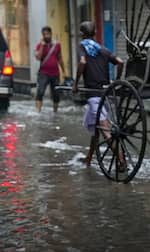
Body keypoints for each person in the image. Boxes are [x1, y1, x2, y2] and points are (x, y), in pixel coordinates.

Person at [72, 21, 124, 167]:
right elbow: (120, 62)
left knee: (104, 130)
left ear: (82, 34)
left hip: (94, 96)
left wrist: (76, 84)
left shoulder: (82, 46)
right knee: (96, 128)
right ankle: (89, 159)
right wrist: (117, 81)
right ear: (95, 33)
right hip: (106, 94)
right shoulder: (102, 48)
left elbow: (82, 62)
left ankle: (122, 161)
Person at [34, 26, 67, 113]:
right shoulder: (39, 45)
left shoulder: (57, 45)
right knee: (40, 92)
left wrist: (64, 71)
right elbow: (38, 57)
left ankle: (55, 111)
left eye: (48, 34)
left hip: (55, 73)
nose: (46, 36)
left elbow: (60, 58)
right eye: (44, 34)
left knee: (56, 94)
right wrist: (42, 46)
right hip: (43, 73)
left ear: (51, 34)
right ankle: (38, 112)